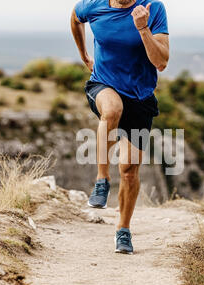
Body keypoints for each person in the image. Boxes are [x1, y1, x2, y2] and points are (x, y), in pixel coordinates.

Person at [71, 0, 169, 254]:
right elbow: (75, 18)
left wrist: (143, 28)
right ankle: (102, 180)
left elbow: (161, 62)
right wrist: (83, 55)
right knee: (113, 110)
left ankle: (123, 230)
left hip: (141, 98)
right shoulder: (93, 6)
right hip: (103, 85)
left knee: (128, 171)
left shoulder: (152, 8)